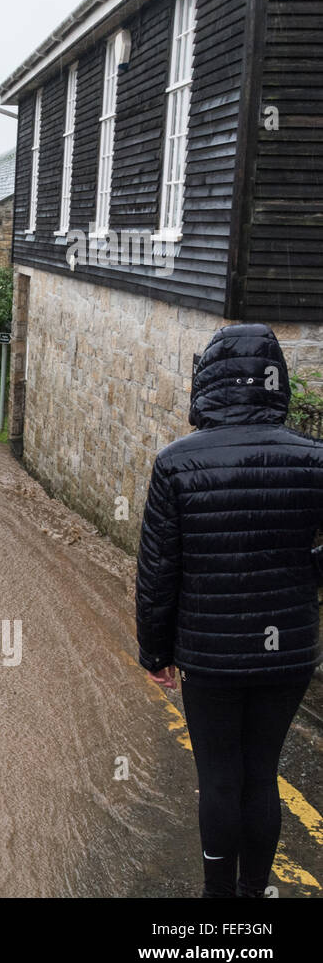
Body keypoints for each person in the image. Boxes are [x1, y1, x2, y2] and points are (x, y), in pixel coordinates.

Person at [136, 323, 323, 898]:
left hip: (210, 655)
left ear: (207, 381)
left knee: (219, 776)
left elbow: (157, 572)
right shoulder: (315, 459)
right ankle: (253, 893)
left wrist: (155, 652)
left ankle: (218, 903)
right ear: (275, 381)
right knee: (262, 773)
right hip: (286, 654)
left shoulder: (176, 464)